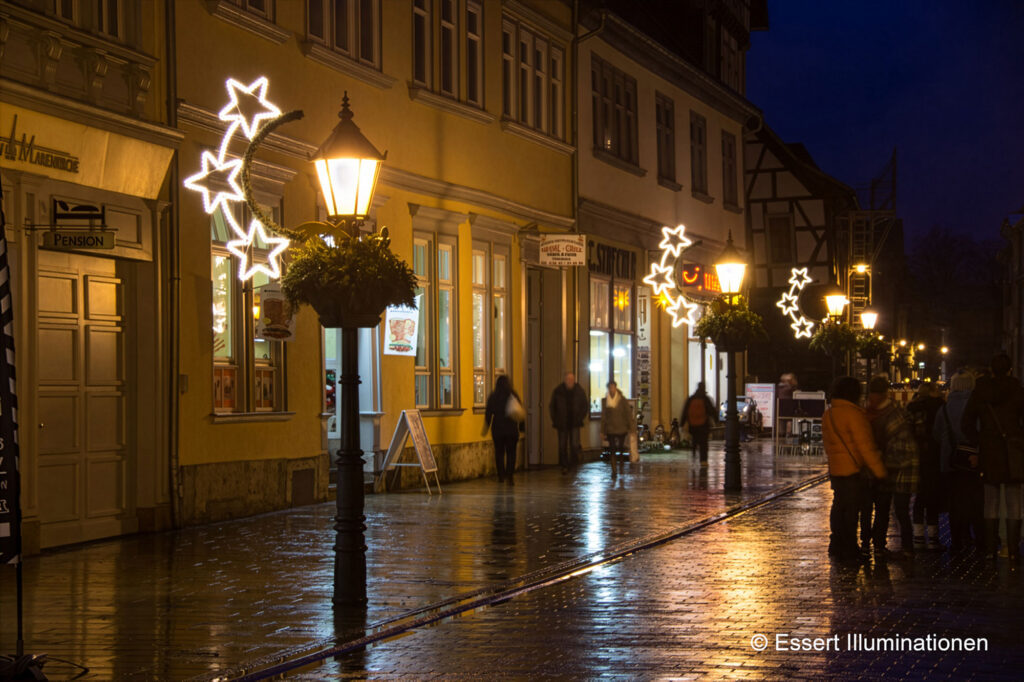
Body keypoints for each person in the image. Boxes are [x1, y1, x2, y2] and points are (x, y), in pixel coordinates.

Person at [961, 353, 1024, 565]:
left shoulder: (981, 391)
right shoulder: (1017, 390)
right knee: (1014, 502)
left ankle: (990, 549)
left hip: (989, 450)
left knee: (991, 501)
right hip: (1013, 451)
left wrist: (980, 440)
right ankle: (1013, 549)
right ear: (1009, 370)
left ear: (991, 369)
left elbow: (966, 422)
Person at [822, 376, 887, 563]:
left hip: (836, 470)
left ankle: (836, 544)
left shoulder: (829, 414)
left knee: (838, 507)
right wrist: (880, 471)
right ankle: (850, 550)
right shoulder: (854, 415)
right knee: (851, 512)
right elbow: (865, 447)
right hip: (852, 470)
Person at [865, 375, 919, 557]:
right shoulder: (877, 412)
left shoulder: (892, 414)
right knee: (882, 509)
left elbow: (903, 446)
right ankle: (879, 545)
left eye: (874, 395)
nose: (872, 399)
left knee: (900, 510)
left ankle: (906, 547)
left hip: (898, 469)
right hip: (884, 468)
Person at [933, 371, 983, 552]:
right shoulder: (977, 407)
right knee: (976, 502)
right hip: (973, 461)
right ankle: (978, 540)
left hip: (950, 462)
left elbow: (937, 435)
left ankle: (956, 541)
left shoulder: (944, 409)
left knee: (955, 503)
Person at [906, 382, 947, 549]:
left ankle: (918, 537)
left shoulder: (912, 408)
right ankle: (933, 537)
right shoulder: (940, 406)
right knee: (933, 498)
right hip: (936, 456)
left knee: (919, 497)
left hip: (917, 456)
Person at [483, 375, 524, 484]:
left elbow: (488, 412)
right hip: (511, 429)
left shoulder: (494, 396)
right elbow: (520, 411)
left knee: (499, 453)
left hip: (498, 430)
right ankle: (510, 476)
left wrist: (486, 426)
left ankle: (501, 476)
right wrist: (522, 426)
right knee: (511, 453)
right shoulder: (513, 395)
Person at [549, 372, 589, 474]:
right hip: (562, 423)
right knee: (562, 446)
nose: (569, 381)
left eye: (571, 379)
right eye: (568, 379)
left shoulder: (579, 391)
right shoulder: (558, 391)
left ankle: (573, 464)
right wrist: (556, 419)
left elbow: (585, 405)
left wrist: (580, 417)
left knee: (574, 445)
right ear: (565, 380)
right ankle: (564, 465)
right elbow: (552, 406)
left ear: (574, 380)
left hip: (575, 423)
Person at [601, 381, 634, 477]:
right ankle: (614, 469)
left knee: (620, 447)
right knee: (612, 449)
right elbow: (603, 416)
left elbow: (628, 413)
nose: (611, 389)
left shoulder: (622, 400)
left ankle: (621, 464)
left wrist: (631, 427)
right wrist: (602, 430)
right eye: (610, 388)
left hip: (621, 428)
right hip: (610, 428)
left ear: (616, 388)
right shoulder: (605, 401)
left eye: (613, 387)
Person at [681, 383, 717, 465]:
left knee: (694, 440)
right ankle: (703, 460)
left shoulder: (691, 398)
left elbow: (685, 411)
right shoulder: (705, 399)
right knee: (703, 443)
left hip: (693, 425)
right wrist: (716, 420)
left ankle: (693, 456)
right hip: (703, 425)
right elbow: (711, 410)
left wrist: (682, 423)